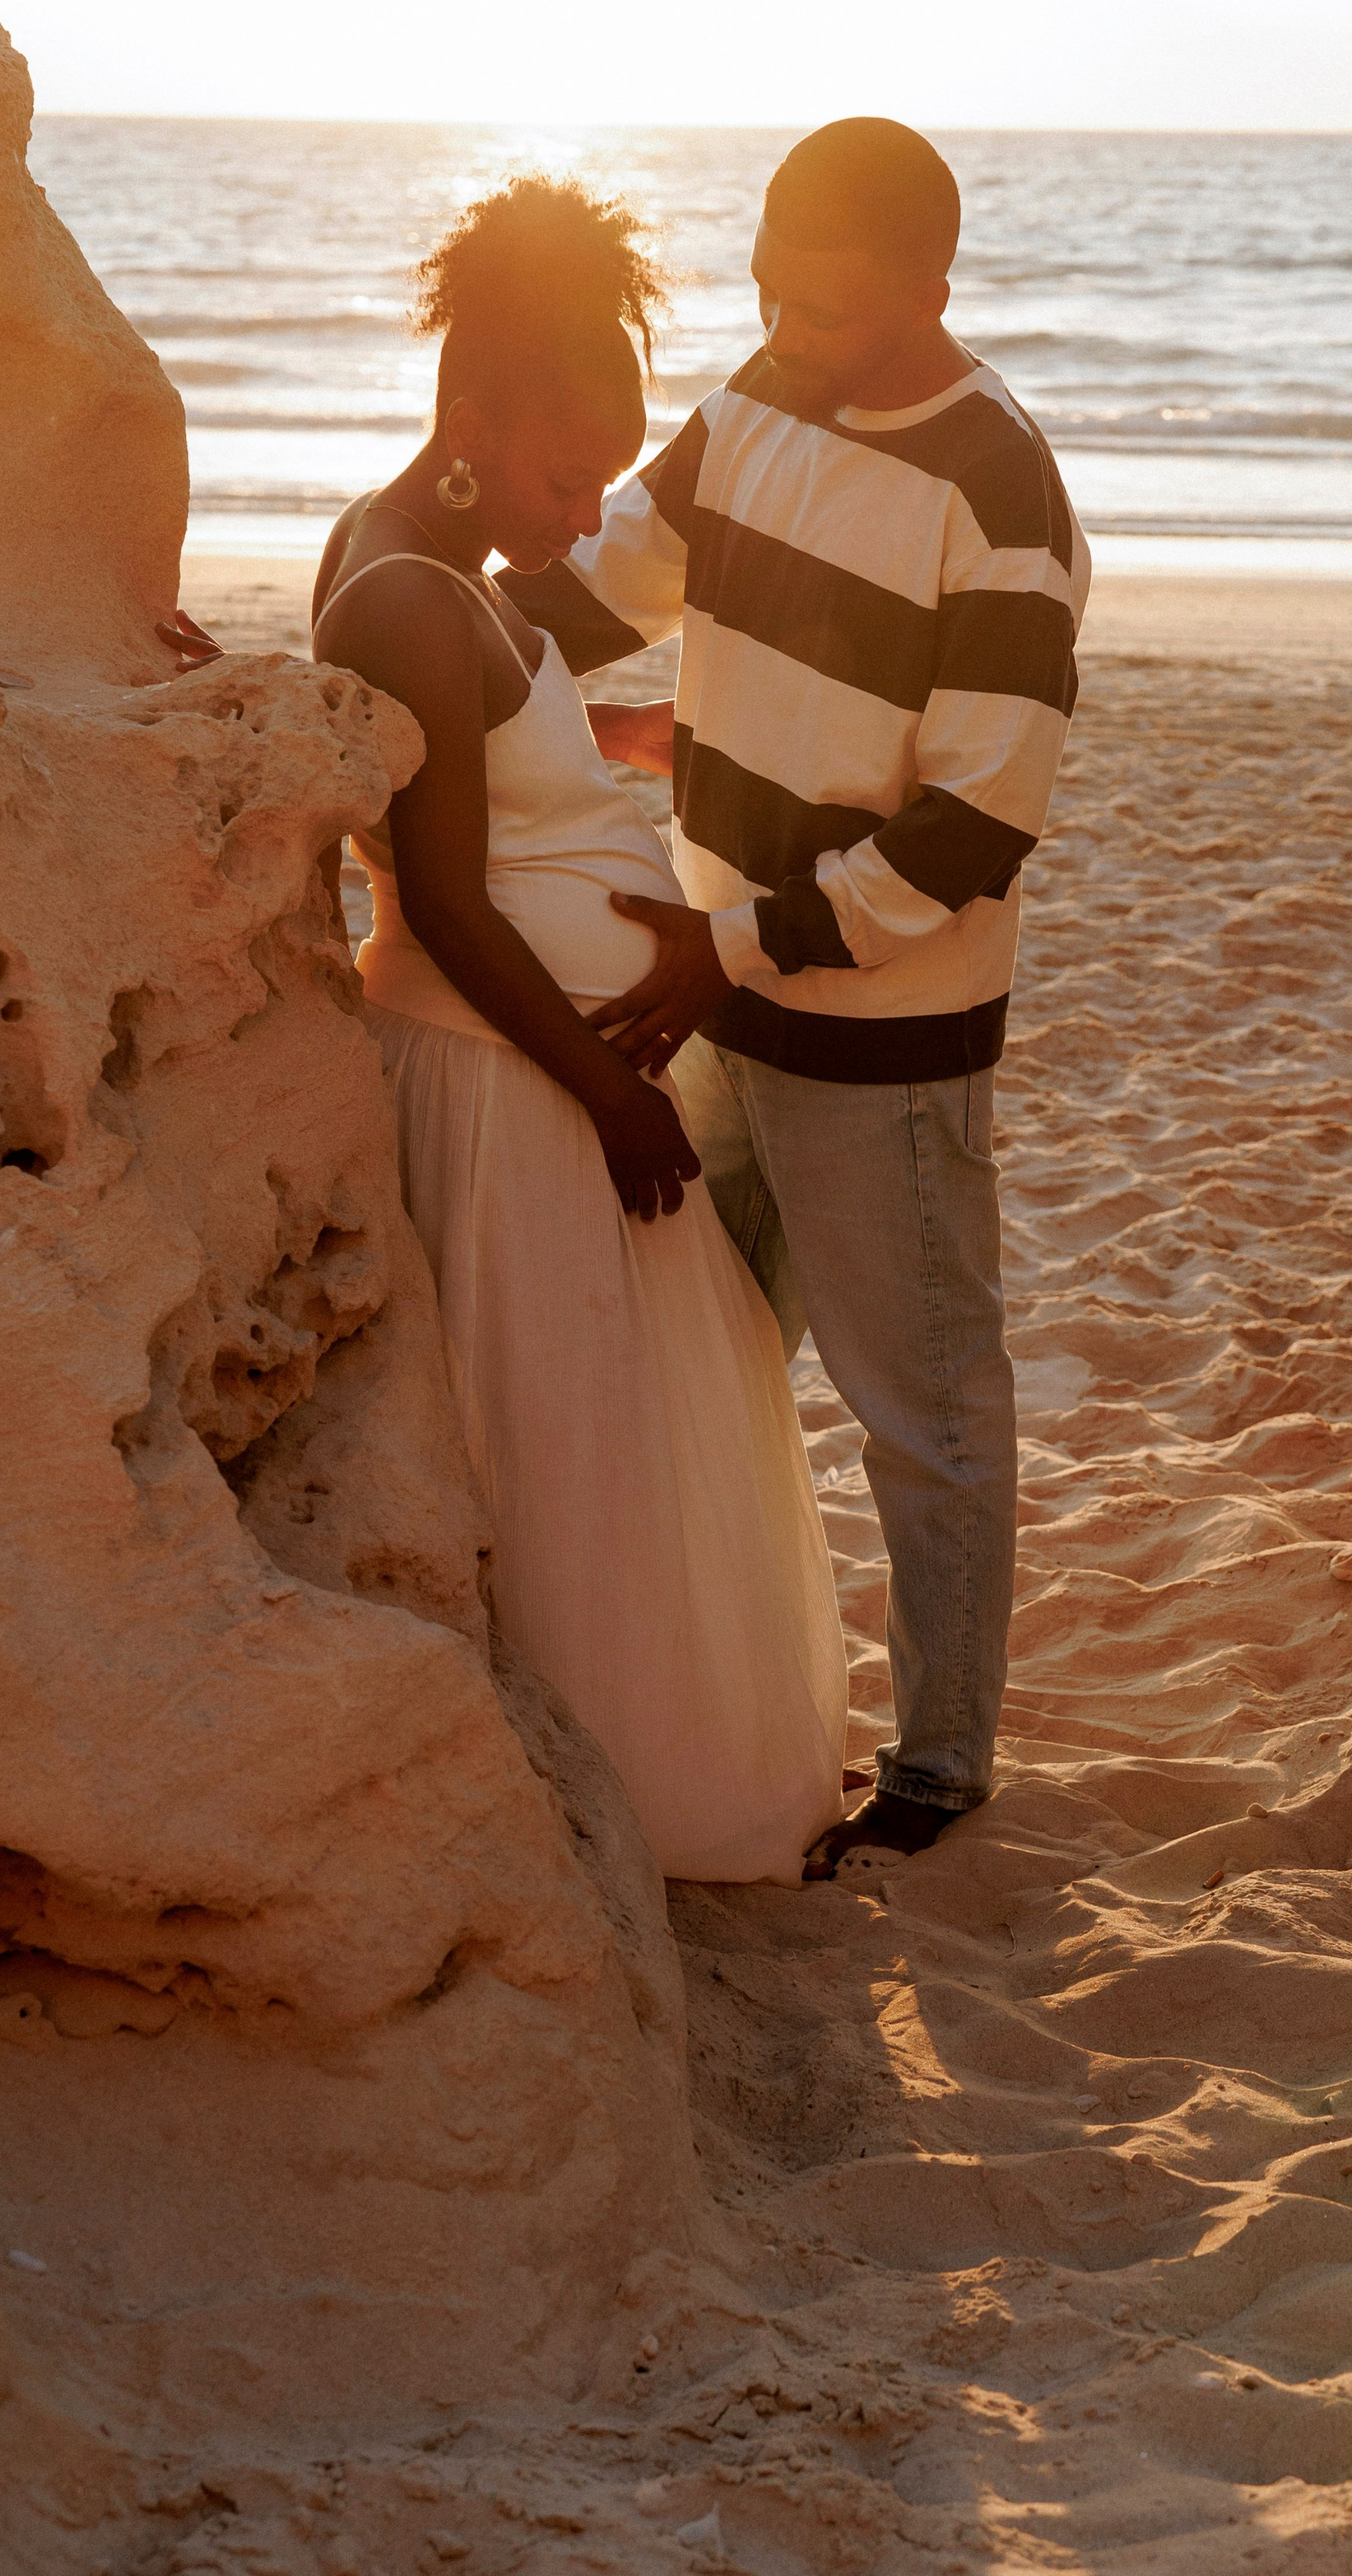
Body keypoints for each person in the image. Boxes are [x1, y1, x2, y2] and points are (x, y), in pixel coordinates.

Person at [497, 118, 1089, 1881]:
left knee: (919, 1409)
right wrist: (410, 642)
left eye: (825, 308)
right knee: (705, 1370)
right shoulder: (758, 393)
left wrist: (733, 944)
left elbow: (975, 826)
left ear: (929, 283)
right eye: (769, 292)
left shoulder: (999, 494)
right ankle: (732, 1725)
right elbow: (610, 585)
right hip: (709, 991)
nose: (788, 328)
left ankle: (938, 1765)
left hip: (870, 1032)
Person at [308, 175, 848, 1886]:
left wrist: (655, 747)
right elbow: (446, 902)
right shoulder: (402, 588)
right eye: (566, 472)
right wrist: (610, 1096)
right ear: (471, 419)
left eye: (612, 471)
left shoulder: (443, 570)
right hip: (506, 1069)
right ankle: (605, 1797)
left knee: (599, 1443)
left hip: (541, 1058)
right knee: (569, 1461)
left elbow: (489, 738)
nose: (591, 504)